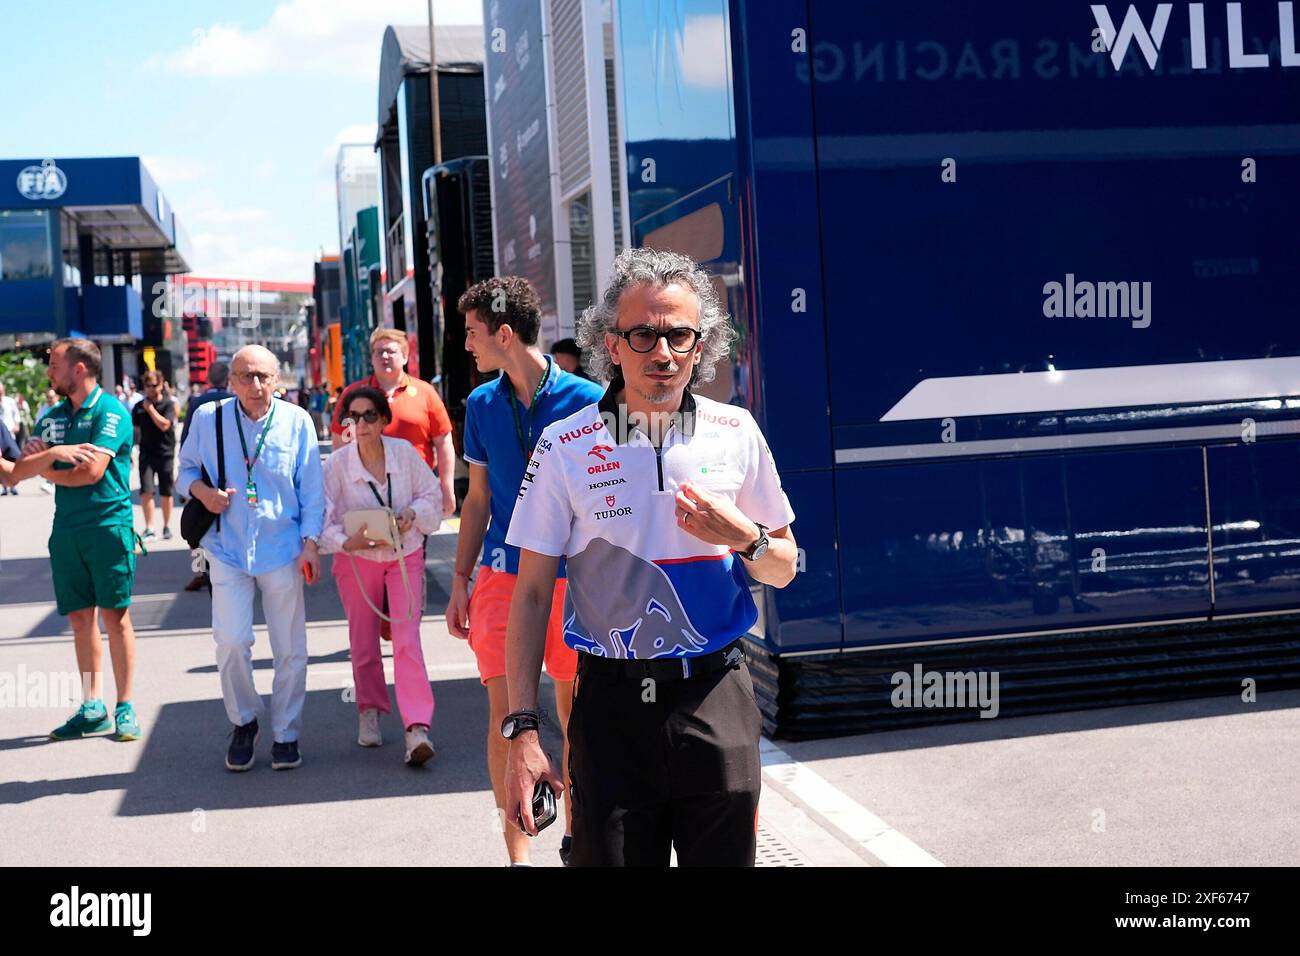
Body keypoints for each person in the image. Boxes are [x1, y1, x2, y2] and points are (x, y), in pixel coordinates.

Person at [502, 248, 799, 867]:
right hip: (609, 710)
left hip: (715, 692)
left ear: (700, 346)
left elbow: (784, 567)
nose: (662, 353)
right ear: (612, 344)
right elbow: (530, 594)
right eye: (644, 334)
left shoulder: (736, 430)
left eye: (679, 336)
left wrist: (747, 538)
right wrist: (522, 730)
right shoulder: (565, 445)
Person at [448, 276, 604, 866]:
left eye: (471, 333)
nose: (466, 345)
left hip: (573, 579)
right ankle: (518, 857)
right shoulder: (481, 405)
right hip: (501, 577)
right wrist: (460, 581)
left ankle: (578, 840)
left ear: (504, 334)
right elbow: (477, 500)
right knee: (507, 719)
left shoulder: (592, 400)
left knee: (576, 714)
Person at [178, 345, 324, 772]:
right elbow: (185, 472)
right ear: (231, 382)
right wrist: (205, 494)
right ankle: (244, 721)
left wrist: (311, 542)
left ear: (277, 379)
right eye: (245, 376)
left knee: (290, 647)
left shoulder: (296, 421)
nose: (255, 385)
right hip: (226, 547)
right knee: (231, 640)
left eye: (263, 376)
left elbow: (311, 488)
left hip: (282, 548)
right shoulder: (209, 419)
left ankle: (286, 733)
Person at [18, 338, 143, 742]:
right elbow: (30, 458)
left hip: (108, 525)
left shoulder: (112, 413)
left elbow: (91, 473)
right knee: (79, 618)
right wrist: (44, 456)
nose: (48, 372)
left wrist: (46, 466)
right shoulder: (52, 417)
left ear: (79, 369)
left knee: (115, 616)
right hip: (67, 529)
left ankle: (124, 705)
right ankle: (93, 706)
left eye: (54, 364)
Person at [321, 387, 442, 765]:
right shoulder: (335, 466)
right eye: (353, 417)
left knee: (407, 640)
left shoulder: (404, 455)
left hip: (405, 555)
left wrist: (411, 514)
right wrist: (347, 542)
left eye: (369, 415)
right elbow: (319, 522)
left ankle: (416, 727)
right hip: (356, 563)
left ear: (384, 419)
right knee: (362, 640)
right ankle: (369, 710)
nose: (361, 424)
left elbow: (433, 497)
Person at [330, 329, 455, 515]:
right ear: (371, 358)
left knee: (413, 543)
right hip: (363, 492)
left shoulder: (425, 392)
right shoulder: (352, 394)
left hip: (415, 493)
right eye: (379, 352)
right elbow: (339, 444)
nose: (385, 356)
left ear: (405, 356)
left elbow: (443, 443)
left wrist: (446, 487)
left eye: (391, 351)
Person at [132, 370, 178, 540]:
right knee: (146, 491)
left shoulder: (168, 404)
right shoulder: (138, 407)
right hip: (146, 454)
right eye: (147, 386)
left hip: (165, 453)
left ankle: (166, 526)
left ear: (161, 384)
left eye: (154, 385)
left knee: (166, 491)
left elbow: (165, 425)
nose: (150, 389)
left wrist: (150, 410)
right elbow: (135, 430)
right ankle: (149, 527)